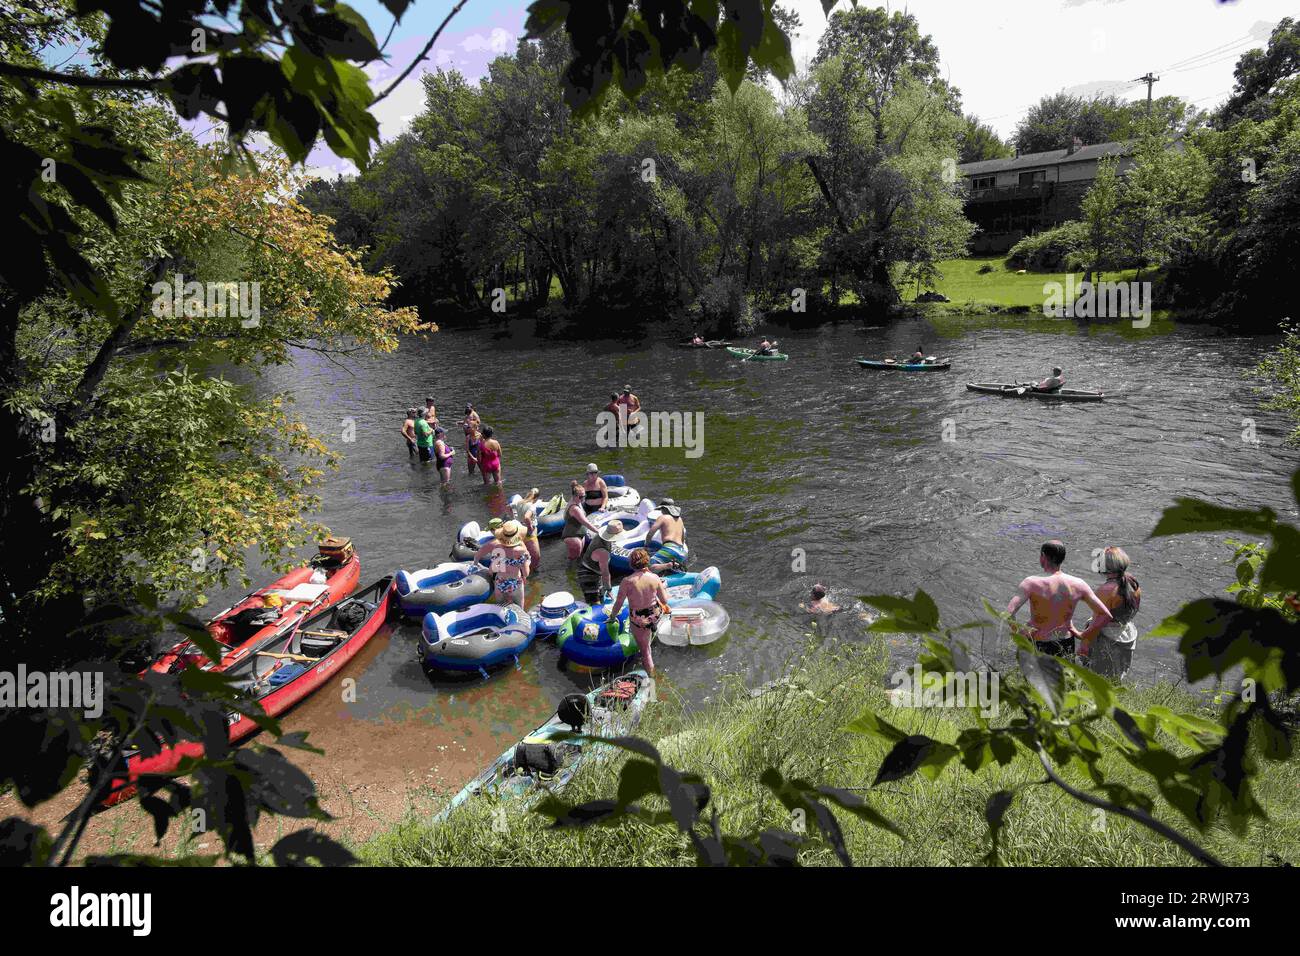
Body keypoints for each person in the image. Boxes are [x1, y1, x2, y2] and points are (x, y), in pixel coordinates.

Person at [1007, 540, 1112, 657]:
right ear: (1062, 558)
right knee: (1063, 675)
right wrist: (1084, 635)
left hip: (1038, 640)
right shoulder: (1078, 584)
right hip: (1065, 642)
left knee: (1035, 675)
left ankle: (988, 676)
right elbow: (1105, 615)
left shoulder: (1031, 583)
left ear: (1043, 556)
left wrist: (1018, 632)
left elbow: (1009, 612)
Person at [608, 548, 670, 677]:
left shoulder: (627, 582)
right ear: (647, 561)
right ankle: (651, 631)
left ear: (631, 564)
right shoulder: (654, 577)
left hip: (640, 619)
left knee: (645, 652)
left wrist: (612, 617)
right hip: (655, 614)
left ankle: (653, 679)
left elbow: (619, 603)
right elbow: (664, 600)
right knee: (650, 623)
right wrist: (662, 587)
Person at [1083, 546, 1142, 680]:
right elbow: (1133, 610)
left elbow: (1098, 623)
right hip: (1125, 632)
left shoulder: (1105, 590)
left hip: (1106, 638)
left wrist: (1084, 644)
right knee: (1116, 676)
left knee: (1097, 677)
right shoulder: (1133, 583)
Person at [483, 520, 530, 605]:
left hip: (500, 582)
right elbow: (526, 573)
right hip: (515, 582)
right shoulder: (520, 553)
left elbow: (492, 569)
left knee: (500, 607)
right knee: (520, 608)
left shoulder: (498, 549)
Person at [562, 480, 602, 560]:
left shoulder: (577, 500)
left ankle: (572, 571)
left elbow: (574, 489)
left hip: (579, 534)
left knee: (577, 558)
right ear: (575, 496)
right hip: (572, 536)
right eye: (581, 497)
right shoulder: (574, 508)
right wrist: (599, 531)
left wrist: (574, 485)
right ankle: (570, 571)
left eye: (584, 496)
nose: (583, 498)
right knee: (574, 559)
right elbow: (586, 523)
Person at [583, 519, 623, 596]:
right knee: (595, 600)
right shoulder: (603, 552)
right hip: (589, 575)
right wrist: (609, 589)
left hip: (590, 566)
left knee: (599, 593)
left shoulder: (600, 537)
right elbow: (605, 573)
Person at [647, 497, 687, 573]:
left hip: (670, 549)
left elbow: (650, 533)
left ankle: (668, 565)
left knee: (650, 565)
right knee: (671, 571)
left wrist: (646, 546)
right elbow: (682, 539)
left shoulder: (662, 517)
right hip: (682, 552)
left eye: (662, 509)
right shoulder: (680, 520)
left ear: (664, 509)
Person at [516, 487, 544, 570]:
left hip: (520, 529)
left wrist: (515, 517)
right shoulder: (531, 506)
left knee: (524, 552)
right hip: (528, 531)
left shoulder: (519, 503)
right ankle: (532, 572)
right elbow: (526, 517)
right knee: (536, 556)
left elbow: (508, 507)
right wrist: (530, 527)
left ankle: (523, 569)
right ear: (536, 498)